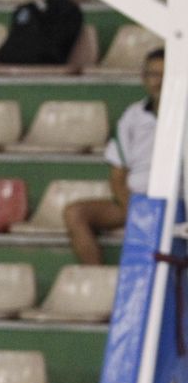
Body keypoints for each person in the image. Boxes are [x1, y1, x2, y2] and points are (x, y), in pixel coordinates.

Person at [66, 47, 164, 265]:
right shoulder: (132, 117)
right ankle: (96, 281)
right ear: (144, 78)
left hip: (178, 202)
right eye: (153, 75)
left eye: (165, 75)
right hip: (137, 201)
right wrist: (137, 213)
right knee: (75, 213)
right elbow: (118, 177)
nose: (159, 82)